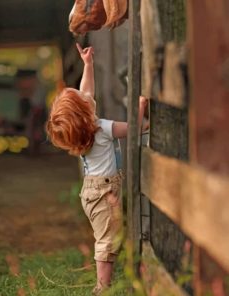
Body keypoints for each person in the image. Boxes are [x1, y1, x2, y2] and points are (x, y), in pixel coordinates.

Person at [46, 43, 148, 295]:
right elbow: (137, 127)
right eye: (83, 101)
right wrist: (142, 105)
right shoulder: (102, 128)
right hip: (103, 194)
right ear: (85, 114)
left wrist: (87, 65)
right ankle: (102, 288)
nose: (86, 97)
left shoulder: (85, 130)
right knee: (106, 241)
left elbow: (86, 92)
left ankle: (111, 278)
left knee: (110, 234)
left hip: (92, 191)